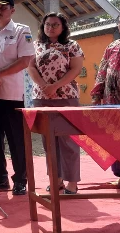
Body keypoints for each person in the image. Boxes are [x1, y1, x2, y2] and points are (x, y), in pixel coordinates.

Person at [0, 0, 34, 196]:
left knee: (16, 139)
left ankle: (20, 179)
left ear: (12, 10)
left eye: (3, 7)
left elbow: (25, 61)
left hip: (12, 94)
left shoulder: (22, 31)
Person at [28, 12, 84, 194]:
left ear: (63, 27)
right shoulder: (35, 45)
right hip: (41, 97)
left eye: (55, 24)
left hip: (66, 96)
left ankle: (72, 182)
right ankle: (56, 179)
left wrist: (56, 86)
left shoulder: (71, 46)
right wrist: (45, 86)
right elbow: (31, 68)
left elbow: (75, 69)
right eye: (47, 24)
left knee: (68, 140)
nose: (50, 28)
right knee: (49, 141)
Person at [90, 13, 120, 185]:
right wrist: (96, 95)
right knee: (115, 137)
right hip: (113, 102)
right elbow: (102, 72)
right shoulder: (112, 47)